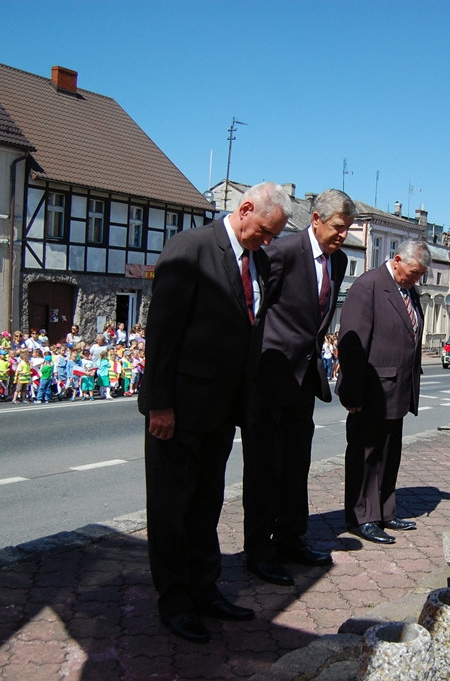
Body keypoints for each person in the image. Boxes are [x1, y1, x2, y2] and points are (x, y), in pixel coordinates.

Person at [138, 181, 290, 644]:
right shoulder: (191, 249)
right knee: (171, 509)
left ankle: (205, 589)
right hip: (179, 409)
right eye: (264, 231)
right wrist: (160, 403)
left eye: (273, 236)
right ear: (244, 209)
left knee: (206, 505)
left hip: (222, 411)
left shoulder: (259, 261)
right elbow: (162, 332)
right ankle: (176, 601)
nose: (266, 242)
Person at [241, 188, 354, 586]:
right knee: (263, 468)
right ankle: (259, 550)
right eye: (338, 227)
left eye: (348, 230)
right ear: (317, 220)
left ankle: (291, 539)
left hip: (304, 380)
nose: (342, 236)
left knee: (295, 465)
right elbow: (255, 306)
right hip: (270, 376)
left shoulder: (337, 262)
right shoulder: (283, 252)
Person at [337, 240, 431, 545]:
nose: (417, 279)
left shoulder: (409, 289)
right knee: (366, 456)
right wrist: (352, 394)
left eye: (421, 275)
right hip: (372, 388)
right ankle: (362, 516)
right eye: (414, 272)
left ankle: (385, 511)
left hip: (398, 389)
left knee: (389, 455)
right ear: (398, 260)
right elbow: (353, 346)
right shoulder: (368, 287)